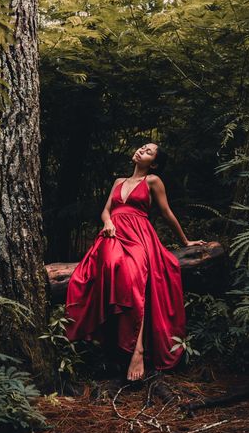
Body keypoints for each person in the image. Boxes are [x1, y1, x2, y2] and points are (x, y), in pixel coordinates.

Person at [64, 142, 207, 382]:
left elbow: (167, 213)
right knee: (109, 267)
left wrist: (185, 241)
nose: (142, 150)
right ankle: (107, 341)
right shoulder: (118, 181)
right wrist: (108, 222)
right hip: (112, 234)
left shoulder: (153, 181)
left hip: (140, 236)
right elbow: (105, 210)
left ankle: (137, 349)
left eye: (149, 151)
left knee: (133, 278)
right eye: (143, 147)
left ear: (155, 163)